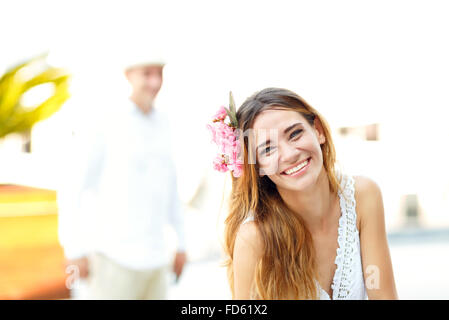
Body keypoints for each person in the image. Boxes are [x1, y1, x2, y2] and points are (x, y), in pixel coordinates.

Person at [210, 88, 397, 299]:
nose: (289, 155)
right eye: (268, 149)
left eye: (295, 134)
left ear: (318, 130)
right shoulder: (253, 237)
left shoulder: (363, 196)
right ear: (258, 167)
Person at [58, 51, 187, 299]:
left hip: (157, 261)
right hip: (113, 260)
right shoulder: (103, 121)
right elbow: (72, 188)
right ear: (128, 75)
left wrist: (181, 244)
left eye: (159, 73)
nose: (155, 82)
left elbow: (170, 187)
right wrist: (74, 251)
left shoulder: (164, 122)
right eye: (146, 74)